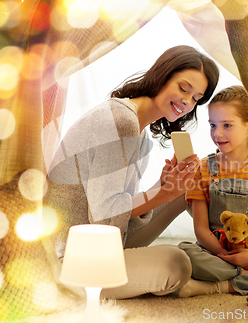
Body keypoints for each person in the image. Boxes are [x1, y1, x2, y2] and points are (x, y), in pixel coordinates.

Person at [45, 45, 220, 299]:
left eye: (195, 98)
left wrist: (164, 186)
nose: (187, 102)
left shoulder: (140, 130)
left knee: (188, 188)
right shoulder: (121, 120)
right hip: (73, 257)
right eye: (183, 88)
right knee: (176, 262)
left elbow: (118, 209)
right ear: (162, 75)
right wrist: (161, 194)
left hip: (106, 239)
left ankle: (229, 252)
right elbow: (105, 218)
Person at [178, 85, 248, 297]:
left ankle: (217, 286)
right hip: (216, 251)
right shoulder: (204, 168)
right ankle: (243, 275)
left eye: (227, 125)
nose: (218, 133)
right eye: (213, 125)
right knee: (183, 254)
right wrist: (229, 256)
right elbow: (201, 230)